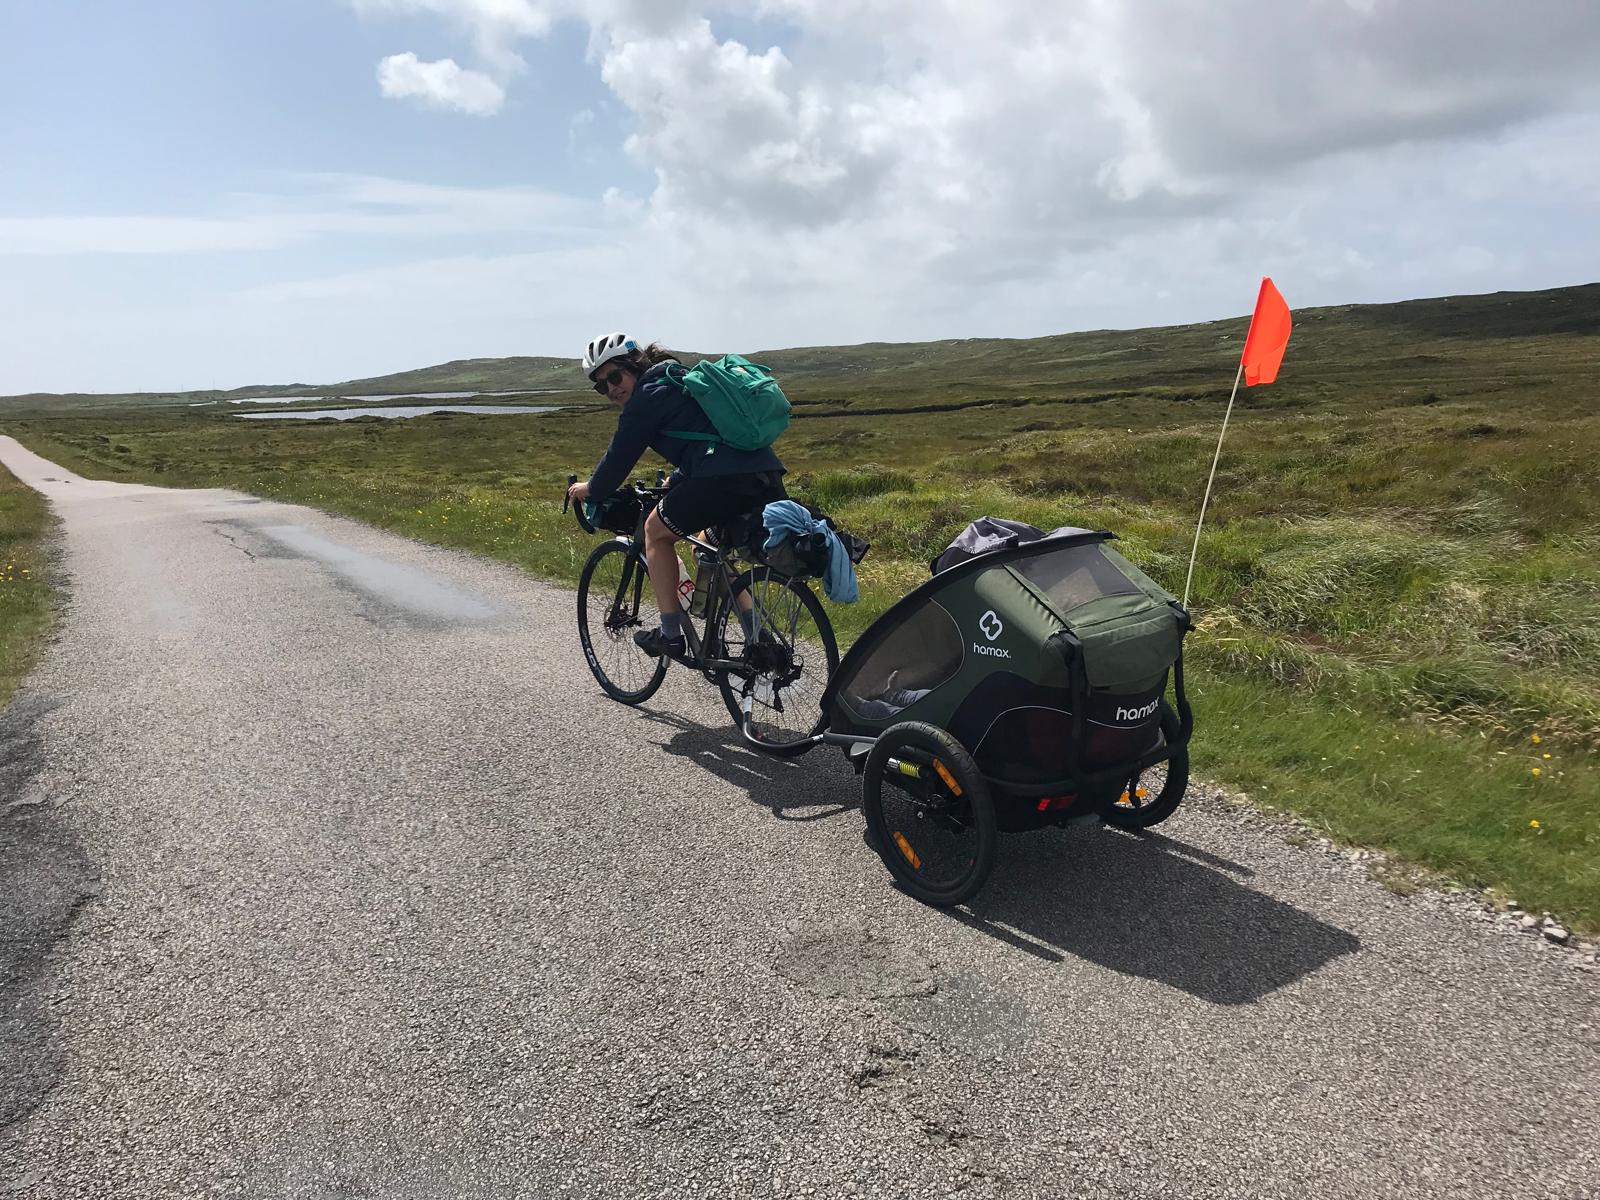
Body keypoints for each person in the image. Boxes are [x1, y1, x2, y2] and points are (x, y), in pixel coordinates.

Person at [565, 332, 787, 660]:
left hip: (721, 480)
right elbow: (706, 437)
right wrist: (680, 477)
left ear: (634, 365)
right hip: (761, 472)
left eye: (615, 376)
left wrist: (591, 489)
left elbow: (618, 459)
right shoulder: (675, 379)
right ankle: (759, 638)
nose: (612, 389)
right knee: (708, 547)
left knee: (655, 532)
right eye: (601, 385)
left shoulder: (646, 398)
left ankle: (670, 636)